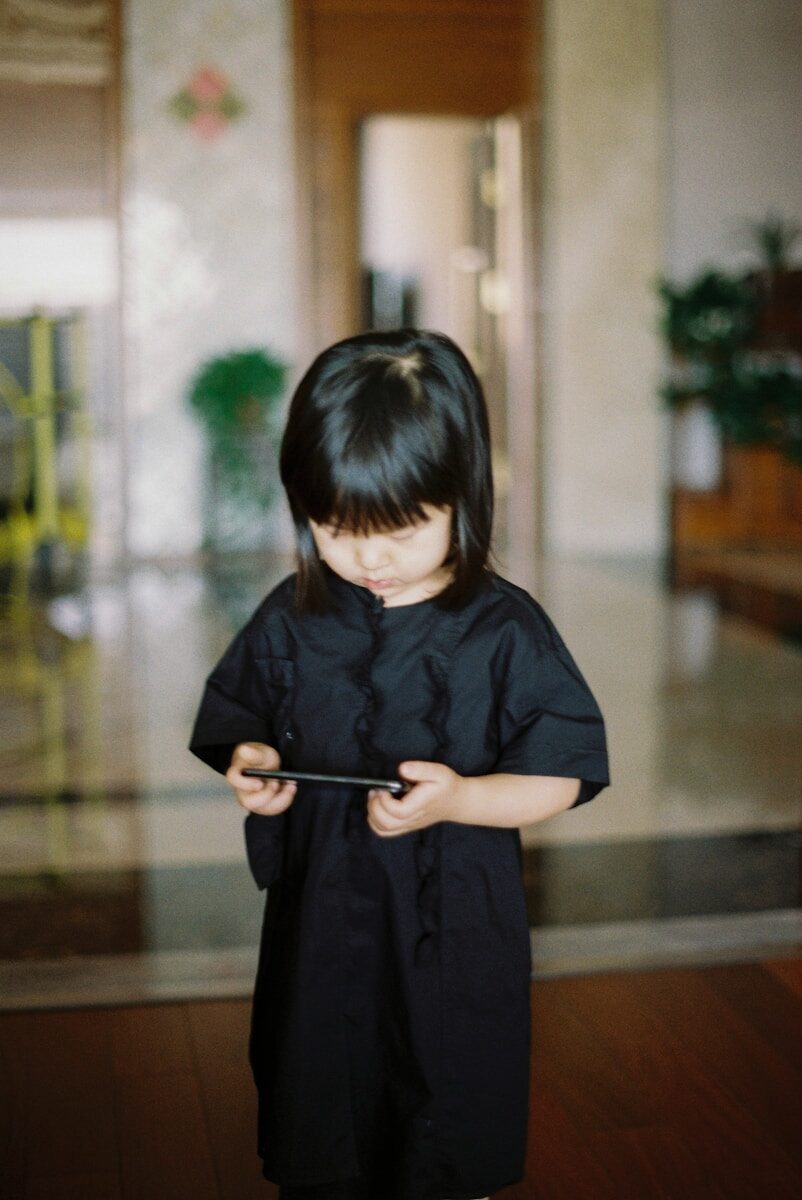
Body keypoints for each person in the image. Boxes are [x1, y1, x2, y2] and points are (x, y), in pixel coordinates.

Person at [189, 329, 609, 1200]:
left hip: (454, 931)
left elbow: (565, 771)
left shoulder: (503, 629)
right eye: (335, 529)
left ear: (464, 496)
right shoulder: (294, 614)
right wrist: (253, 765)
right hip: (322, 924)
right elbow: (241, 721)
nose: (368, 558)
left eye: (401, 530)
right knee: (321, 1099)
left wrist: (461, 797)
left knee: (445, 1104)